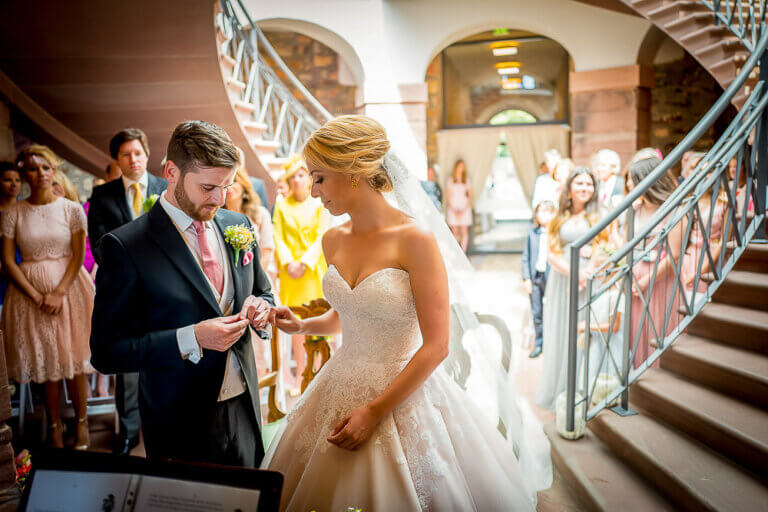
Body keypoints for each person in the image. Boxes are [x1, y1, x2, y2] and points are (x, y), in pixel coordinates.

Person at [264, 114, 548, 511]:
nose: (313, 192)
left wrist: (375, 411)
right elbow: (353, 312)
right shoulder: (332, 240)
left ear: (352, 172)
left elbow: (437, 346)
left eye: (319, 178)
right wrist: (303, 325)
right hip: (337, 384)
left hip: (403, 393)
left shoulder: (415, 239)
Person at [90, 121, 275, 467]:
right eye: (208, 187)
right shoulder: (126, 246)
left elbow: (263, 291)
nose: (219, 199)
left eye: (226, 186)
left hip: (245, 408)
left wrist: (261, 308)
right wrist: (192, 338)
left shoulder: (238, 225)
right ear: (172, 173)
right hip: (179, 422)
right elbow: (107, 352)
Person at [1, 145, 95, 449]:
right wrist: (35, 294)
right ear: (25, 174)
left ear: (54, 170)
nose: (40, 173)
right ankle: (54, 426)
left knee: (74, 360)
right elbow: (8, 261)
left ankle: (82, 424)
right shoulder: (13, 212)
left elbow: (78, 255)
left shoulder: (71, 209)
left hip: (69, 291)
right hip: (29, 296)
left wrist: (57, 292)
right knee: (48, 363)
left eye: (45, 167)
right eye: (32, 168)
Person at [87, 128, 168, 456]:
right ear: (116, 159)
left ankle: (163, 426)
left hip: (163, 289)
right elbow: (99, 244)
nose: (133, 159)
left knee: (167, 354)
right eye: (125, 154)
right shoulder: (102, 196)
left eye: (137, 153)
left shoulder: (166, 188)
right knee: (129, 364)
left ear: (146, 154)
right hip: (124, 291)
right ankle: (129, 431)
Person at [535, 167, 604, 411]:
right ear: (570, 188)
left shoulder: (599, 215)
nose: (585, 188)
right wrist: (575, 273)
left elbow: (603, 246)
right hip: (563, 279)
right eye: (580, 183)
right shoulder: (558, 216)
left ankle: (583, 390)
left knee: (584, 330)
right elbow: (551, 253)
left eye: (589, 184)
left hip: (589, 279)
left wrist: (586, 273)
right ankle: (562, 390)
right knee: (562, 329)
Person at [272, 154, 330, 394]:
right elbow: (277, 236)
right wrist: (288, 263)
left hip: (313, 273)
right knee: (296, 327)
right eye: (292, 176)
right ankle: (300, 378)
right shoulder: (282, 205)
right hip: (290, 275)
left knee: (317, 323)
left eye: (301, 175)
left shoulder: (319, 204)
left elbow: (322, 236)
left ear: (309, 179)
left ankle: (318, 376)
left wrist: (305, 262)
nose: (296, 180)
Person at [626, 157, 685, 369]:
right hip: (634, 282)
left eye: (633, 179)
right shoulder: (633, 210)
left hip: (660, 281)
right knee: (635, 333)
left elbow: (675, 255)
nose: (629, 184)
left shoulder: (675, 211)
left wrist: (646, 281)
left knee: (657, 329)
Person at [522, 200, 556, 359]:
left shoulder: (555, 235)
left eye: (546, 211)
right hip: (536, 277)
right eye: (540, 211)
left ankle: (552, 343)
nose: (542, 215)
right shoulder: (532, 234)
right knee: (537, 312)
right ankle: (539, 343)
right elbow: (526, 257)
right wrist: (526, 278)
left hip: (551, 277)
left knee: (552, 310)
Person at [225, 167, 274, 274]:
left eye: (234, 181)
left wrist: (255, 279)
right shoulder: (216, 217)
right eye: (225, 182)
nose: (229, 186)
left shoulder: (261, 213)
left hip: (257, 277)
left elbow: (267, 253)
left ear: (243, 184)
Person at [0, 162, 22, 309]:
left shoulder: (27, 210)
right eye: (7, 180)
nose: (14, 185)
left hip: (26, 278)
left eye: (17, 180)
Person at [445, 159, 472, 253]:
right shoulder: (450, 180)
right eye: (460, 166)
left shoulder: (466, 180)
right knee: (454, 231)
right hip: (453, 207)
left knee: (464, 231)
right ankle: (456, 253)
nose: (461, 168)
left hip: (464, 207)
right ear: (456, 167)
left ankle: (463, 253)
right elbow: (448, 196)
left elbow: (470, 196)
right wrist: (453, 210)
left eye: (463, 167)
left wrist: (463, 210)